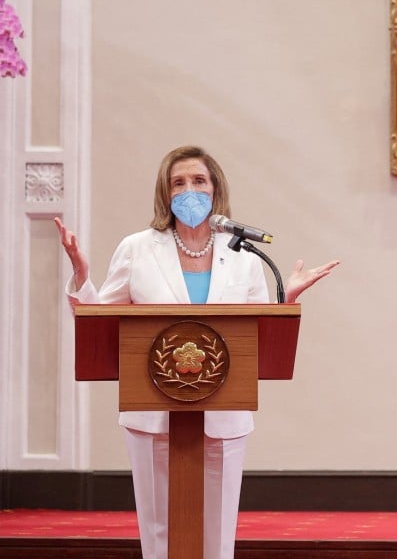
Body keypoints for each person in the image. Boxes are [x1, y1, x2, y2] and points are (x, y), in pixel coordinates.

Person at [55, 145, 340, 559]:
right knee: (159, 532)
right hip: (153, 414)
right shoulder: (137, 248)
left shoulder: (243, 256)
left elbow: (257, 333)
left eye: (199, 181)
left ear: (215, 189)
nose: (190, 190)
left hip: (223, 415)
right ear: (165, 193)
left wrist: (285, 299)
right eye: (179, 182)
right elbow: (101, 323)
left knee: (217, 534)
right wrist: (82, 276)